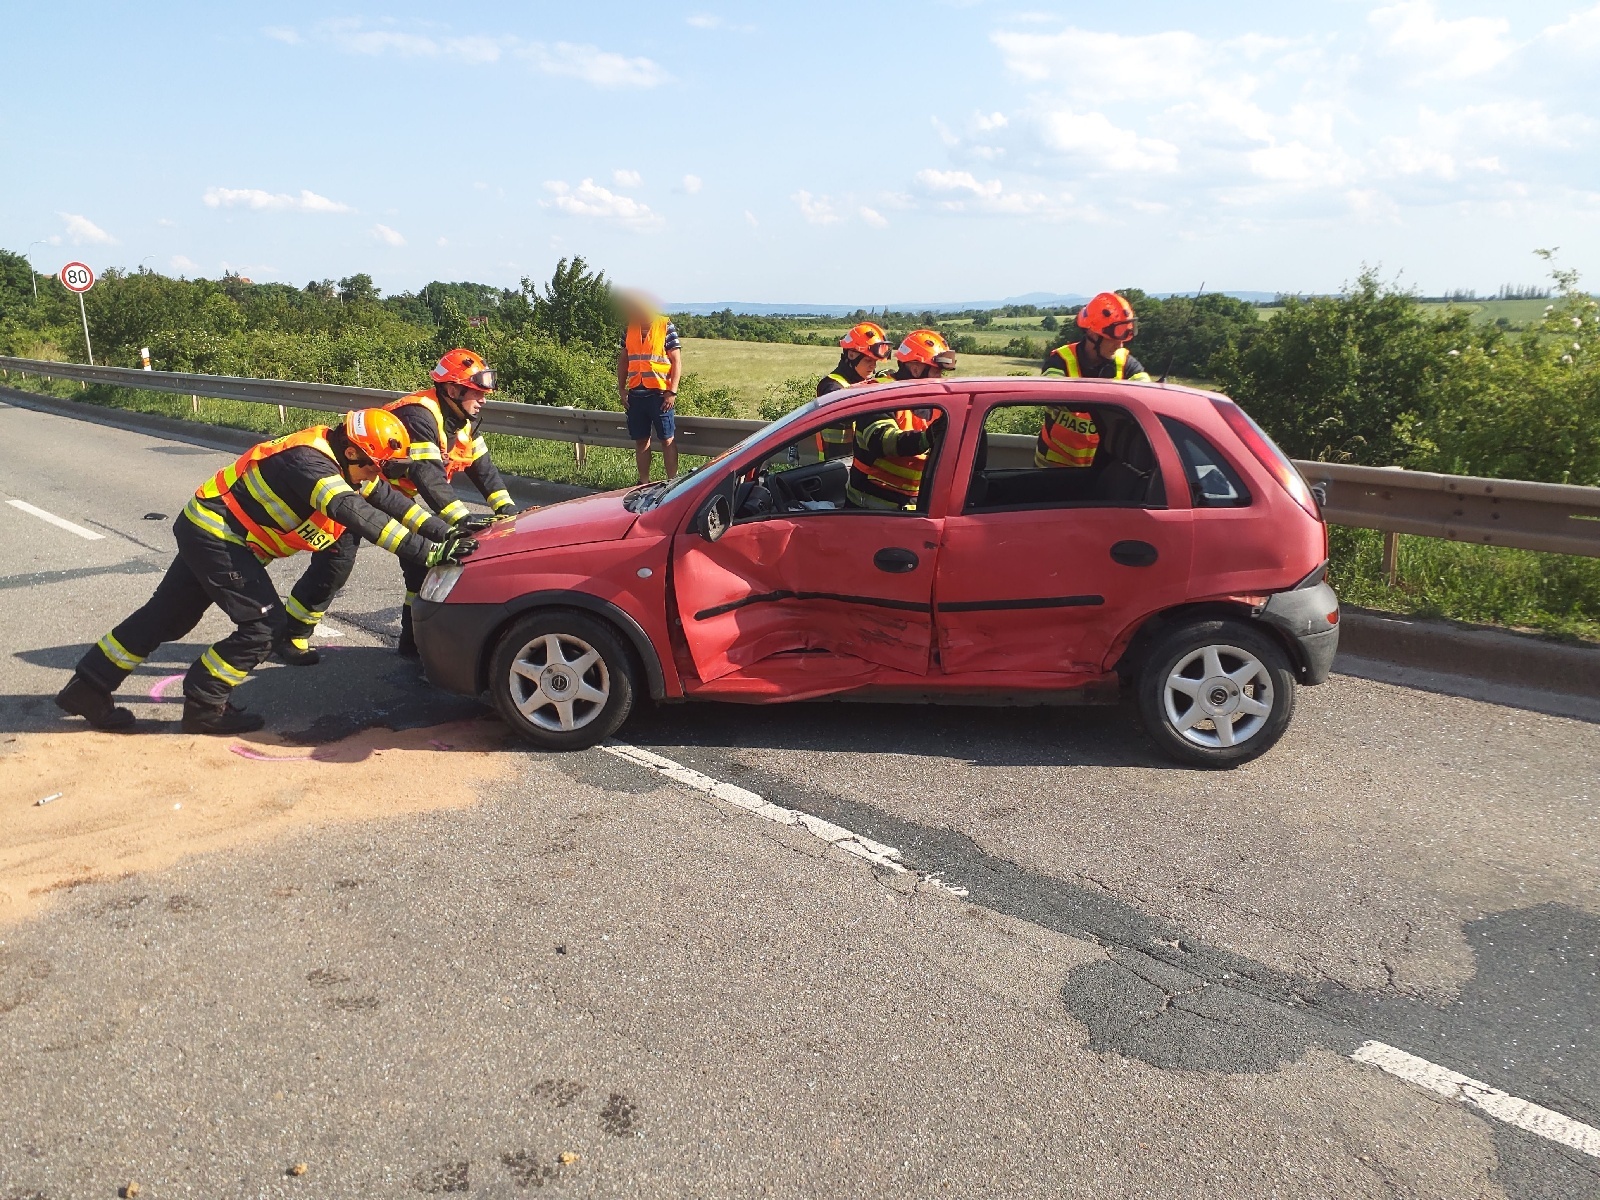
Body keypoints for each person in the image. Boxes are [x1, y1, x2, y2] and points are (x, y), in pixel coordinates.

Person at [55, 410, 475, 735]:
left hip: (212, 528)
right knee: (262, 626)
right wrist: (429, 553)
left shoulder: (344, 455)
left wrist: (448, 531)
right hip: (217, 534)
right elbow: (360, 515)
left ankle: (87, 688)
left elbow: (391, 501)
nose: (377, 477)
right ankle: (205, 704)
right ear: (353, 453)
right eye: (375, 467)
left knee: (167, 616)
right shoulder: (311, 465)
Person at [291, 347, 514, 662]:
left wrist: (507, 511)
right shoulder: (419, 416)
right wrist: (461, 523)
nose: (484, 399)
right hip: (356, 490)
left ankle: (413, 646)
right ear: (453, 389)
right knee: (334, 568)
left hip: (394, 497)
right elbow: (428, 478)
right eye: (477, 392)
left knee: (421, 569)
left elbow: (483, 468)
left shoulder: (462, 419)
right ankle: (292, 635)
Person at [1035, 291, 1152, 468]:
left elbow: (1147, 393)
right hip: (1053, 466)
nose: (1120, 346)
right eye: (1113, 339)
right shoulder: (1060, 361)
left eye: (1123, 339)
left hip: (1098, 468)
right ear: (1094, 335)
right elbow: (1051, 390)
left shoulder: (1126, 363)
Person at [843, 331, 954, 511]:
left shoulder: (935, 404)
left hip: (911, 508)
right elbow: (883, 440)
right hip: (869, 511)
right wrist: (927, 438)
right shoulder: (880, 393)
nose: (940, 378)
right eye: (936, 371)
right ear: (916, 368)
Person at [617, 294, 682, 485]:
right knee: (641, 441)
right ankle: (644, 483)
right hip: (635, 395)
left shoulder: (665, 326)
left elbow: (676, 361)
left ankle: (672, 483)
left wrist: (672, 391)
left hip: (660, 396)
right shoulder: (629, 327)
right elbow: (623, 360)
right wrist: (621, 389)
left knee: (667, 439)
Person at [815, 321, 894, 459]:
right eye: (868, 361)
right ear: (851, 355)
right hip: (834, 466)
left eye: (875, 362)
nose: (873, 366)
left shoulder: (862, 381)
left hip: (854, 462)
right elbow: (848, 408)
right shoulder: (832, 385)